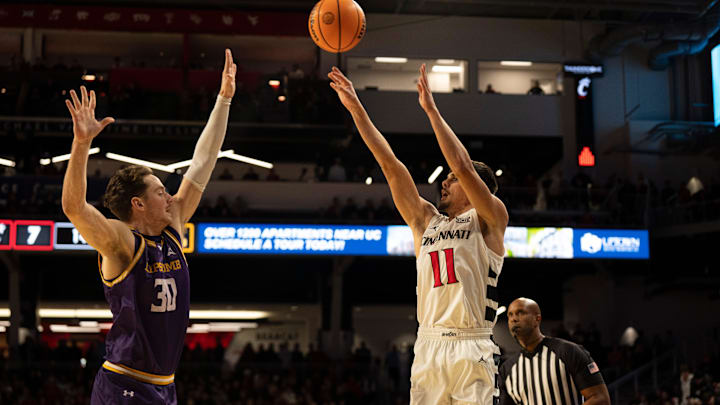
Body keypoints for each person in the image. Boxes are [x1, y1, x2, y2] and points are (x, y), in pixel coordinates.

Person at [61, 49, 237, 405]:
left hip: (164, 385)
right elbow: (74, 208)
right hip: (124, 385)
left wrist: (224, 100)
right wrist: (82, 144)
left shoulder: (171, 228)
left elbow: (204, 161)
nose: (170, 196)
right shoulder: (123, 244)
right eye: (160, 191)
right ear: (137, 204)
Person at [329, 64, 508, 404]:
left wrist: (431, 111)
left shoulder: (490, 217)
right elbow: (389, 164)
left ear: (475, 187)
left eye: (452, 180)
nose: (445, 181)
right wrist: (356, 108)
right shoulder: (426, 221)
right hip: (428, 343)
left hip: (472, 343)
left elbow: (463, 166)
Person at [500, 298, 610, 405]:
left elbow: (601, 399)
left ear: (537, 319)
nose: (514, 319)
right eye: (510, 315)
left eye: (520, 313)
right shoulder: (507, 369)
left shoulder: (569, 352)